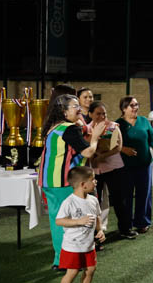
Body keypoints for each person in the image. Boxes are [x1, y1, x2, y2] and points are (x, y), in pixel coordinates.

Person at [39, 95, 105, 271]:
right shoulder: (69, 128)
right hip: (65, 182)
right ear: (63, 110)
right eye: (74, 106)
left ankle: (59, 261)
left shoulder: (53, 127)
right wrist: (96, 137)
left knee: (57, 221)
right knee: (72, 222)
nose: (79, 109)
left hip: (48, 181)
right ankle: (68, 262)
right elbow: (88, 152)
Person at [53, 166, 105, 283]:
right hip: (72, 246)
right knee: (73, 272)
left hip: (88, 245)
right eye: (93, 180)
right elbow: (59, 221)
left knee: (90, 269)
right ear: (83, 184)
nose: (95, 182)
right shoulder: (69, 202)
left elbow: (97, 217)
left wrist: (100, 230)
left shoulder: (93, 200)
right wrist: (78, 221)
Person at [117, 96, 153, 234]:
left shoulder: (144, 121)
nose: (135, 108)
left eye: (136, 104)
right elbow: (111, 143)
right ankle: (127, 224)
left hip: (144, 164)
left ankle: (142, 222)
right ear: (124, 108)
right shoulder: (118, 124)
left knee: (144, 194)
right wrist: (123, 149)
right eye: (132, 105)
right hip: (125, 166)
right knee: (126, 195)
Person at [87, 101, 132, 241]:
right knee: (94, 202)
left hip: (114, 168)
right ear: (90, 114)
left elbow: (118, 147)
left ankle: (125, 229)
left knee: (119, 200)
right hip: (95, 170)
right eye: (98, 114)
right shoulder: (86, 129)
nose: (102, 116)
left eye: (104, 114)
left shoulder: (113, 126)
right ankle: (96, 234)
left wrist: (102, 156)